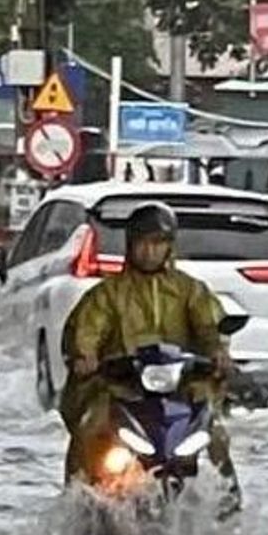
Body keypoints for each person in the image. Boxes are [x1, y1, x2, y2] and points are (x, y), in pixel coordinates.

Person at [59, 201, 239, 503]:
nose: (149, 251)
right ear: (131, 245)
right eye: (142, 243)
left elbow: (210, 326)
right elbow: (87, 328)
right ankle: (79, 501)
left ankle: (228, 501)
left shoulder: (191, 291)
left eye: (158, 243)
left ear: (169, 247)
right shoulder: (108, 293)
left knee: (216, 434)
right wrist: (85, 355)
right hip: (120, 389)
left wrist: (218, 352)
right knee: (89, 429)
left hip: (182, 390)